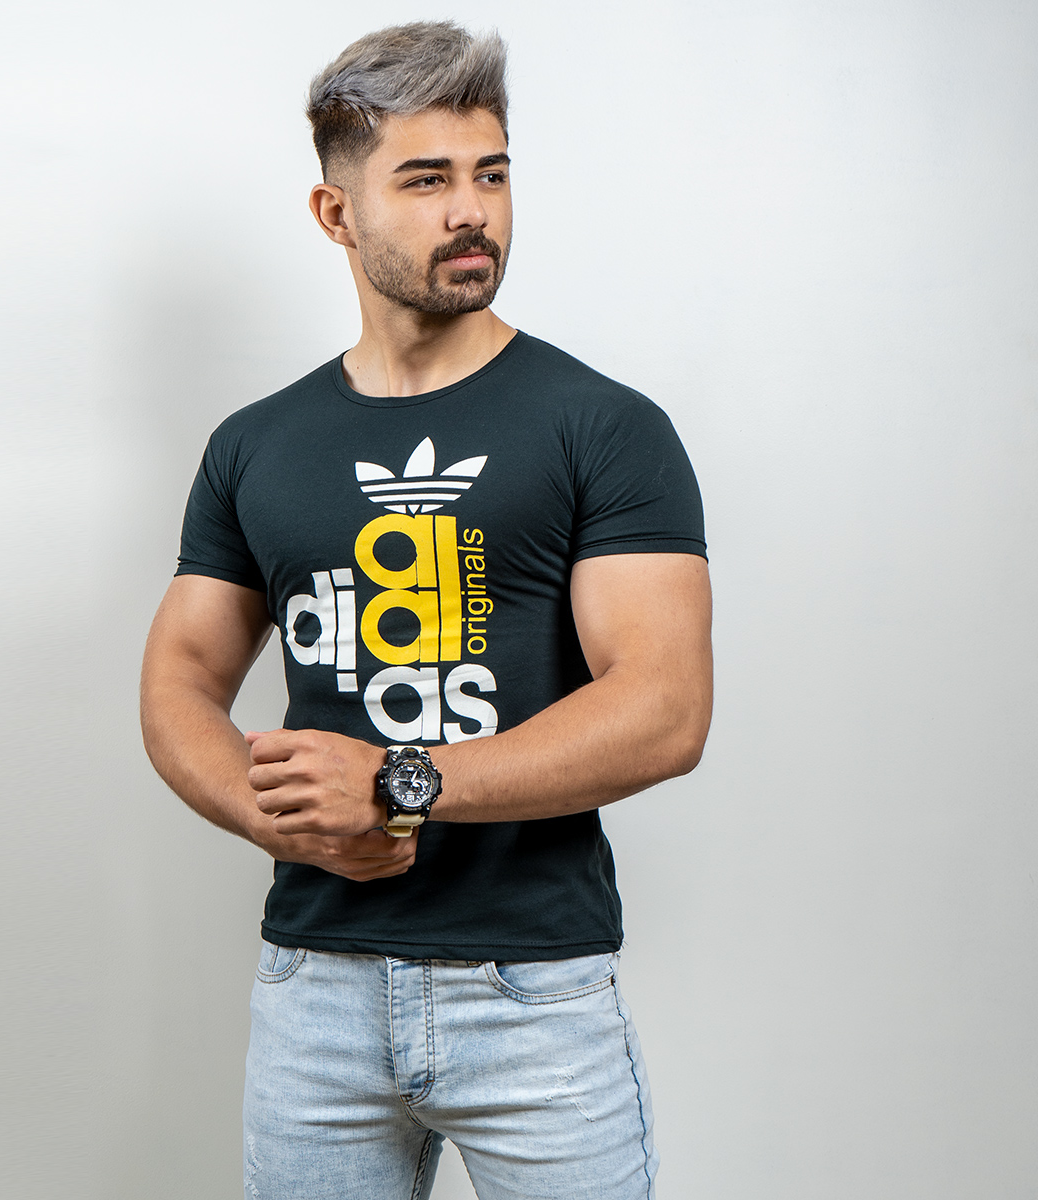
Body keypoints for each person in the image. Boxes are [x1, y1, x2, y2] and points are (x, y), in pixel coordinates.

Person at [140, 20, 712, 1200]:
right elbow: (180, 678)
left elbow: (665, 710)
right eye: (426, 180)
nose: (471, 212)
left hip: (533, 992)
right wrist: (275, 819)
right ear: (335, 213)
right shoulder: (256, 445)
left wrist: (401, 780)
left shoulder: (604, 428)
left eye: (491, 175)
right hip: (314, 989)